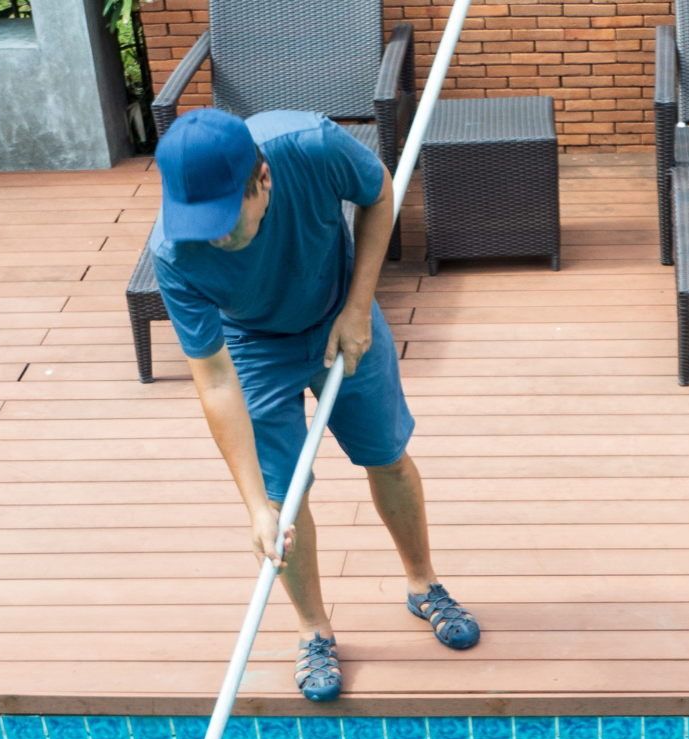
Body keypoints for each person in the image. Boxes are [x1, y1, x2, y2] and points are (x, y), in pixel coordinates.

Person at [149, 106, 479, 702]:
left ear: (263, 180)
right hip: (253, 346)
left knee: (387, 456)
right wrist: (256, 506)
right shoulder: (175, 254)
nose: (213, 237)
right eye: (199, 222)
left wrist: (358, 306)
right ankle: (314, 630)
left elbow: (380, 193)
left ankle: (423, 585)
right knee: (283, 502)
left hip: (340, 311)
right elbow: (216, 381)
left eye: (223, 219)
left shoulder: (312, 147)